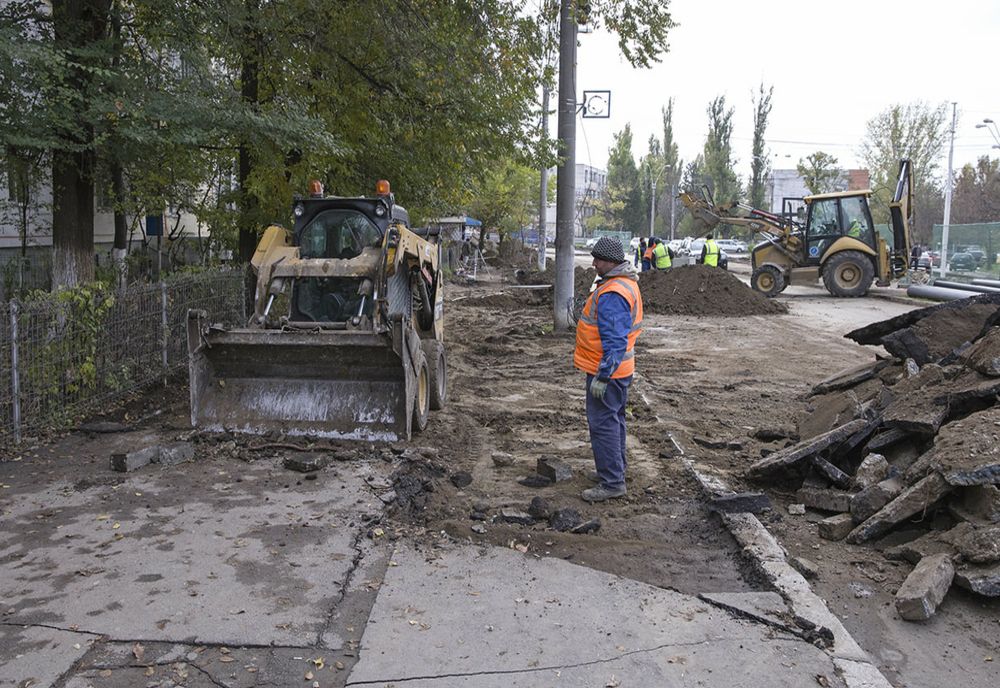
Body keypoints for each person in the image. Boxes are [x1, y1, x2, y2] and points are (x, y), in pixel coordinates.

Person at [574, 237, 643, 503]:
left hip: (608, 371)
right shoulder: (624, 284)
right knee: (614, 420)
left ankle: (612, 481)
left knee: (603, 423)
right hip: (618, 370)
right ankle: (614, 470)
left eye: (598, 260)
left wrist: (603, 375)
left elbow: (614, 340)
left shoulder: (614, 292)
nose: (593, 264)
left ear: (612, 262)